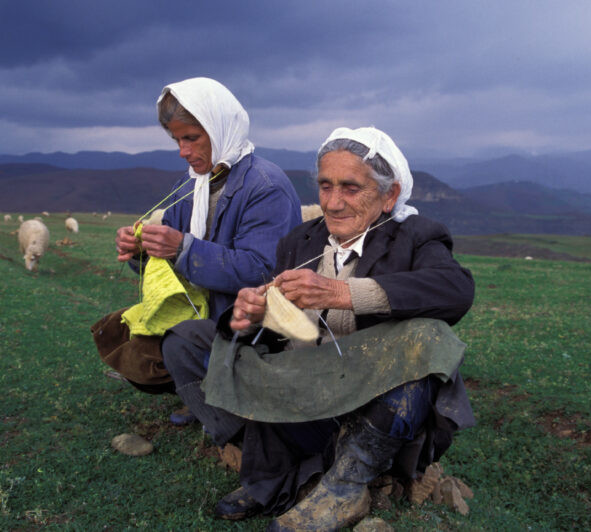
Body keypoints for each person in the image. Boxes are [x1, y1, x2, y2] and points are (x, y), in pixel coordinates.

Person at [163, 126, 476, 530]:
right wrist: (252, 319)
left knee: (428, 339)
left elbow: (456, 289)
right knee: (185, 341)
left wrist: (342, 293)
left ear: (390, 196)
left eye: (350, 188)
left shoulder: (416, 237)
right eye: (326, 186)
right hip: (305, 396)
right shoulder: (301, 240)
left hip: (370, 409)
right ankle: (261, 454)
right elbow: (283, 331)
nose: (332, 202)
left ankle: (347, 483)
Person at [113, 77, 302, 421]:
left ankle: (230, 418)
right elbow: (167, 260)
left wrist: (183, 248)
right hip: (203, 314)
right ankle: (203, 392)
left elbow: (263, 270)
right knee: (120, 332)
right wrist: (142, 250)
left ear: (220, 128)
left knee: (180, 340)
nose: (184, 151)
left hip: (254, 325)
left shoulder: (265, 186)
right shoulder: (190, 185)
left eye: (192, 138)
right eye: (177, 140)